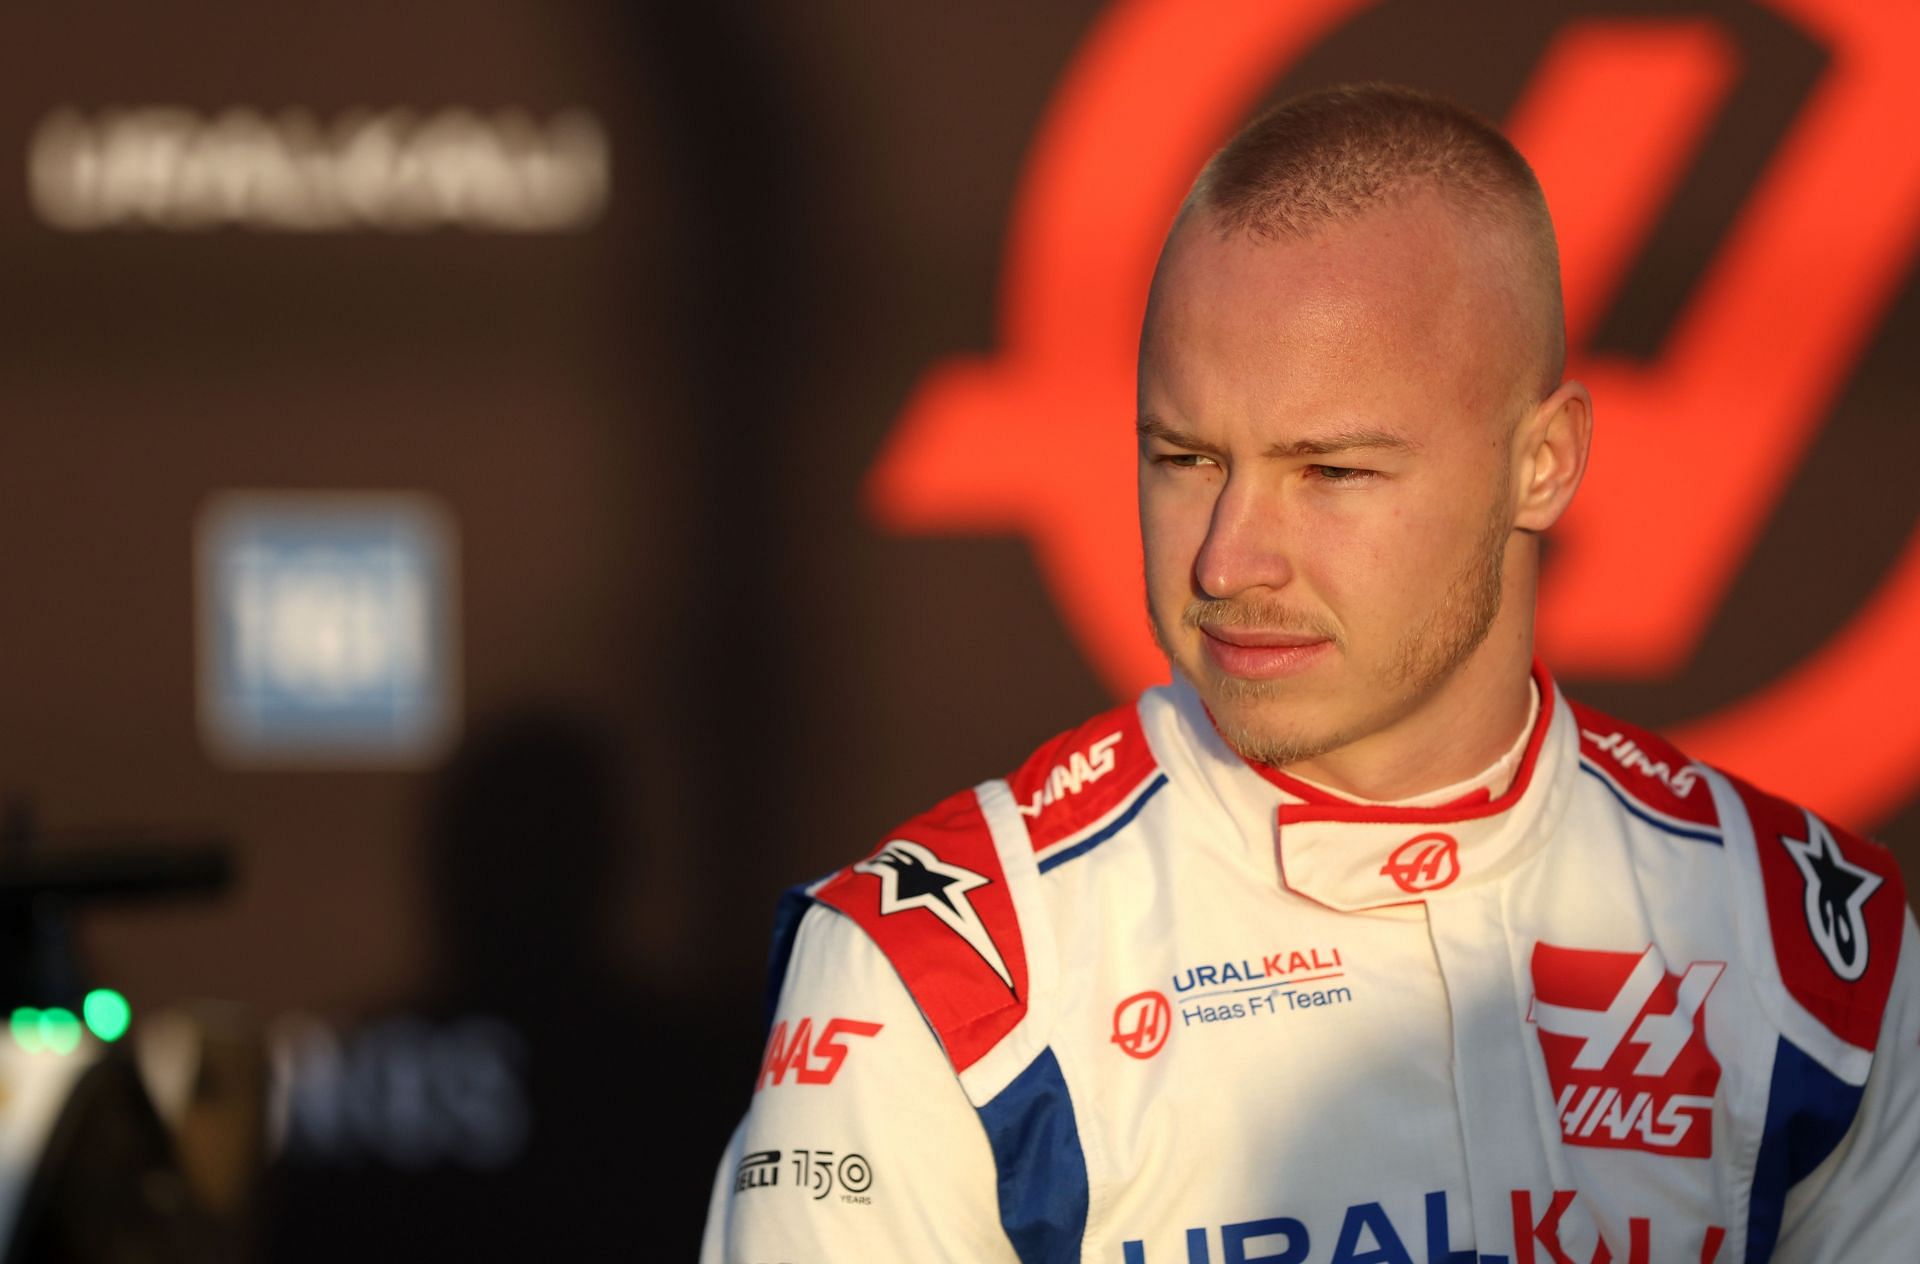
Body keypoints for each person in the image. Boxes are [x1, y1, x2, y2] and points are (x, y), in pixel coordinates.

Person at [700, 83, 1919, 1263]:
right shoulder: (949, 979)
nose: (1229, 559)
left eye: (1330, 472)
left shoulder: (1812, 952)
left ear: (1542, 464)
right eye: (1184, 457)